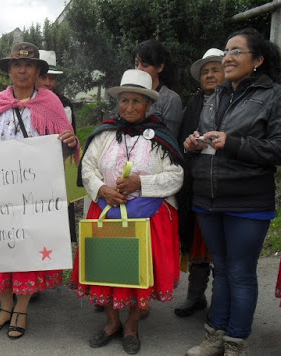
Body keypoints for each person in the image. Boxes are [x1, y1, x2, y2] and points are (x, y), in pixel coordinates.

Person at [0, 42, 79, 339]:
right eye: (17, 65)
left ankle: (22, 308)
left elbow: (68, 145)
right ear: (9, 70)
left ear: (38, 71)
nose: (22, 70)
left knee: (26, 250)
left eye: (29, 65)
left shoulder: (50, 102)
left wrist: (69, 141)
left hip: (34, 197)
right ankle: (5, 307)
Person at [70, 69, 184, 354]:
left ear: (148, 105)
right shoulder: (104, 133)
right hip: (106, 210)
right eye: (125, 101)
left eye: (137, 101)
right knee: (105, 269)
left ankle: (132, 325)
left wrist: (140, 183)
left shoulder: (161, 137)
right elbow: (87, 168)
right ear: (118, 103)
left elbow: (176, 176)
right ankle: (111, 323)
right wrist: (102, 189)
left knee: (139, 272)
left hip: (148, 216)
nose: (130, 107)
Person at [184, 28, 281, 356]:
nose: (227, 58)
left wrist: (234, 143)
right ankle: (215, 337)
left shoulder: (273, 95)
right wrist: (194, 144)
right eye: (227, 51)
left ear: (258, 59)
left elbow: (277, 148)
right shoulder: (216, 96)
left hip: (248, 200)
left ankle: (236, 343)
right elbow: (207, 139)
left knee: (240, 272)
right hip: (208, 198)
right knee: (222, 269)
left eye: (237, 51)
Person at [175, 48, 225, 317]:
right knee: (198, 240)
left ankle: (220, 302)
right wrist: (190, 147)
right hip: (198, 182)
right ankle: (195, 296)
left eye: (215, 69)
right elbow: (184, 138)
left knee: (221, 246)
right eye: (205, 71)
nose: (209, 75)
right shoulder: (193, 104)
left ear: (226, 71)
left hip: (227, 183)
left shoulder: (235, 102)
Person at [134, 39, 183, 138]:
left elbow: (169, 140)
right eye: (136, 64)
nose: (139, 69)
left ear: (160, 67)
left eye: (145, 65)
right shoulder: (130, 95)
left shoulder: (170, 99)